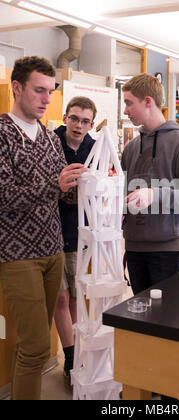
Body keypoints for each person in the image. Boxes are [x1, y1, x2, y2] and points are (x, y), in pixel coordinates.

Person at [0, 56, 86, 400]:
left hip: (53, 250)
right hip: (17, 255)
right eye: (39, 90)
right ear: (17, 88)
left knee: (33, 344)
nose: (46, 99)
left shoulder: (51, 138)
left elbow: (60, 196)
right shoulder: (3, 133)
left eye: (50, 91)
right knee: (35, 347)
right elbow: (4, 195)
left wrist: (84, 186)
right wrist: (57, 185)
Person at [121, 73, 179, 296]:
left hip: (165, 251)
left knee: (164, 320)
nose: (125, 110)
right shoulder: (131, 148)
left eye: (129, 103)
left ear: (148, 101)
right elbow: (124, 196)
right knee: (140, 317)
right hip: (134, 247)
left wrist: (155, 195)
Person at [54, 96, 97, 386]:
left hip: (80, 231)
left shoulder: (94, 148)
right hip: (50, 232)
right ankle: (70, 358)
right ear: (65, 117)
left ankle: (76, 355)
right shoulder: (50, 142)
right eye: (74, 119)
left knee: (74, 298)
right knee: (59, 296)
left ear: (91, 124)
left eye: (85, 121)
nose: (79, 125)